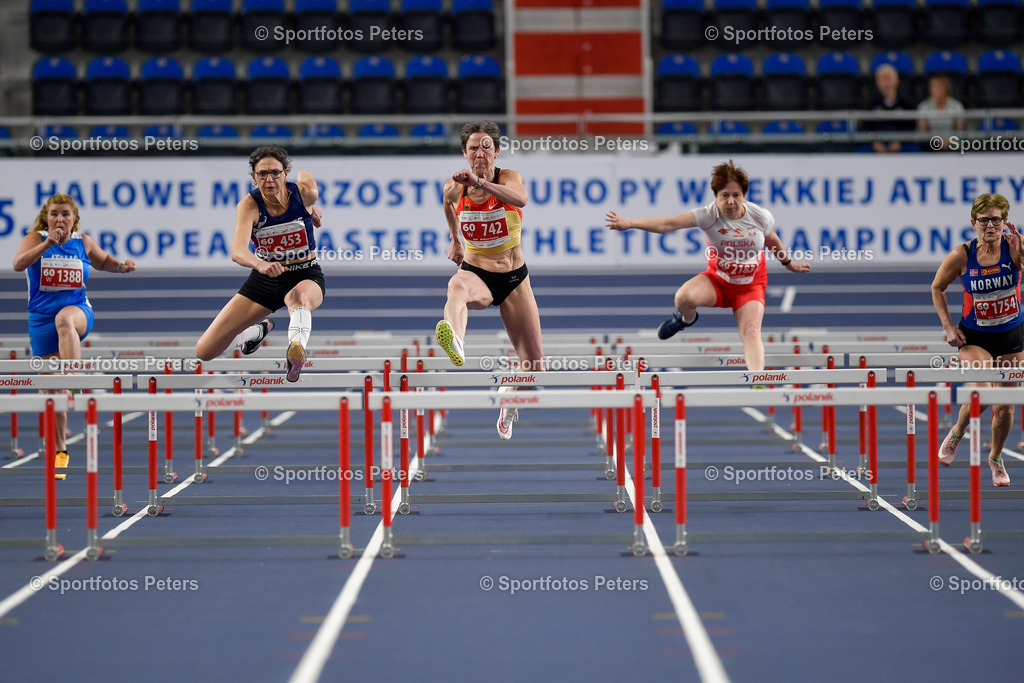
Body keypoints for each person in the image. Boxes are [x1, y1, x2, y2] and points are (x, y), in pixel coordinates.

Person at [605, 160, 810, 372]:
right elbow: (668, 224)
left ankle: (758, 383)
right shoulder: (707, 215)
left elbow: (772, 240)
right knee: (682, 298)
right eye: (724, 196)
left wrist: (788, 263)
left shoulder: (760, 216)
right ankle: (686, 320)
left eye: (736, 195)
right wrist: (630, 223)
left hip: (750, 286)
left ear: (744, 195)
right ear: (716, 196)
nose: (731, 201)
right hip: (717, 282)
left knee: (751, 331)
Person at [13, 193, 137, 476]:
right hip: (40, 320)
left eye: (65, 214)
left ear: (74, 218)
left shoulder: (84, 242)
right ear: (47, 217)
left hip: (78, 312)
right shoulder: (36, 238)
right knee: (52, 393)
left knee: (65, 320)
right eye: (54, 213)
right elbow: (18, 264)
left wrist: (121, 266)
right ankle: (60, 450)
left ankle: (75, 377)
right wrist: (47, 244)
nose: (60, 218)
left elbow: (102, 260)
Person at [434, 121, 542, 440]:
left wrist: (481, 182)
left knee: (534, 366)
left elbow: (520, 200)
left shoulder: (508, 178)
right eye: (473, 148)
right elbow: (447, 205)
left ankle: (509, 396)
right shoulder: (454, 187)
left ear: (496, 151)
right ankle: (457, 341)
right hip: (477, 272)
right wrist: (455, 239)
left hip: (514, 279)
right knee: (456, 285)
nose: (479, 153)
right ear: (465, 154)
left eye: (485, 147)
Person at [195, 146, 324, 383]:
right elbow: (237, 251)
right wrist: (260, 264)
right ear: (254, 177)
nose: (269, 179)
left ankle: (296, 351)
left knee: (298, 298)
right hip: (264, 279)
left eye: (275, 173)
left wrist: (308, 207)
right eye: (262, 174)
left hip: (304, 274)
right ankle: (257, 331)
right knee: (205, 351)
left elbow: (305, 174)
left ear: (286, 173)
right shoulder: (249, 205)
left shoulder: (306, 193)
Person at [931, 193, 1019, 487]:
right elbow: (937, 287)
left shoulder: (1015, 249)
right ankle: (957, 431)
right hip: (976, 337)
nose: (990, 226)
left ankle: (995, 457)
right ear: (974, 223)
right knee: (981, 393)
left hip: (1012, 337)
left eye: (996, 219)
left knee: (1005, 406)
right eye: (984, 220)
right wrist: (948, 328)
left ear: (1005, 222)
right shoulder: (961, 255)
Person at [860, 63, 916, 153]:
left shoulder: (906, 104)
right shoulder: (871, 105)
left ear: (896, 80)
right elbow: (865, 128)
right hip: (877, 143)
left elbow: (911, 126)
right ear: (877, 83)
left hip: (901, 143)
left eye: (888, 79)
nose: (886, 83)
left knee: (914, 150)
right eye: (882, 80)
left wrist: (900, 142)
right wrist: (874, 142)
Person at [917, 75, 965, 150]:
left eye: (939, 87)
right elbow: (923, 131)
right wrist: (937, 142)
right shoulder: (924, 106)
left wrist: (949, 142)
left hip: (952, 144)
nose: (937, 90)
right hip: (931, 144)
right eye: (934, 87)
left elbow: (959, 129)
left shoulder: (956, 106)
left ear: (946, 89)